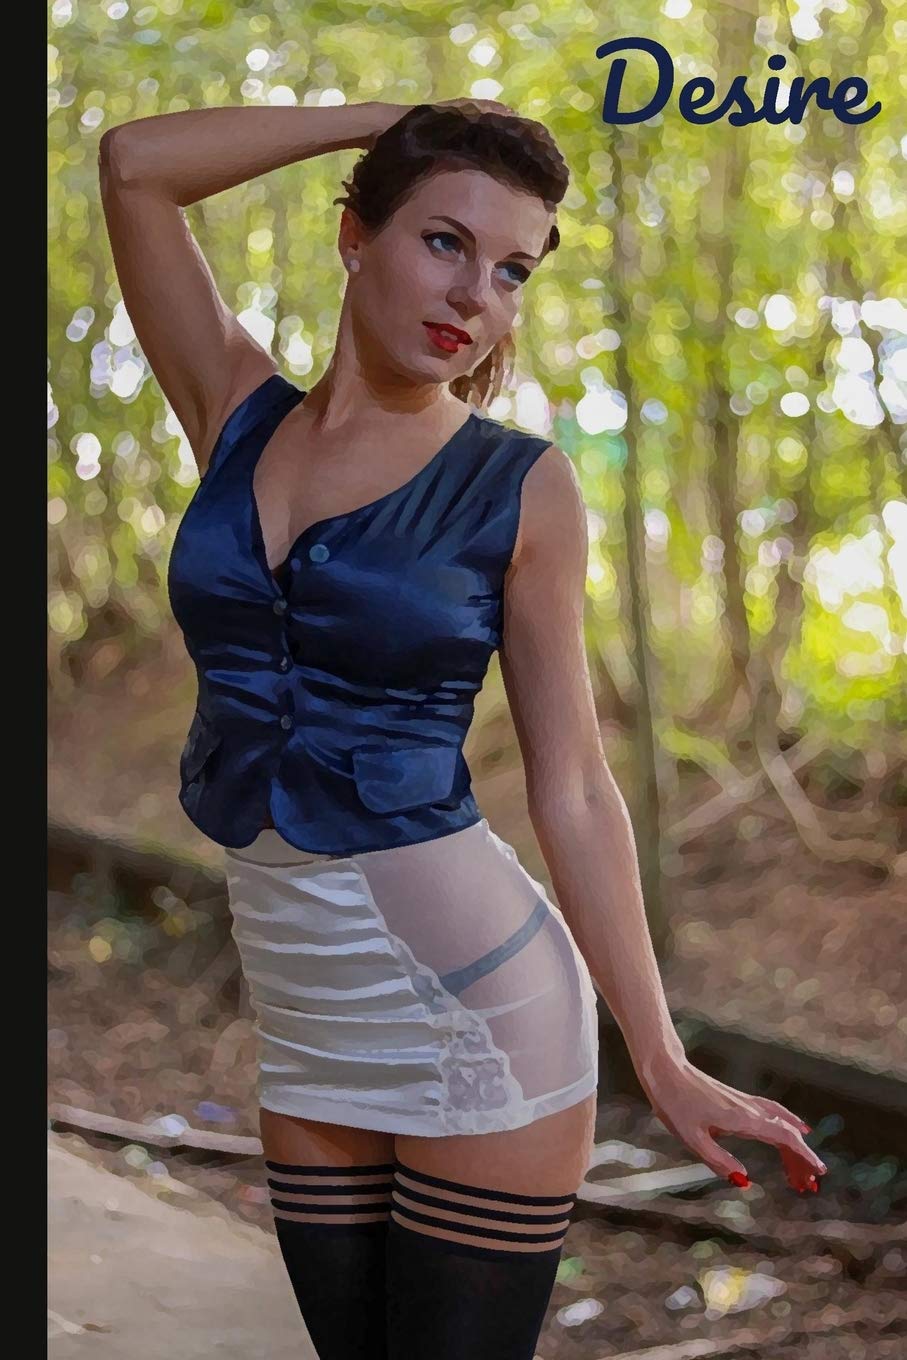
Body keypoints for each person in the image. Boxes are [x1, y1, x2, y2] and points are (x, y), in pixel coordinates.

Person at [98, 97, 826, 1360]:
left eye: (511, 270)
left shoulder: (519, 485)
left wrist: (657, 1052)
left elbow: (575, 785)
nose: (475, 293)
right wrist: (392, 122)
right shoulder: (235, 412)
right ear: (355, 235)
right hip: (305, 1018)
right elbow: (132, 168)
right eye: (444, 240)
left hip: (480, 1016)